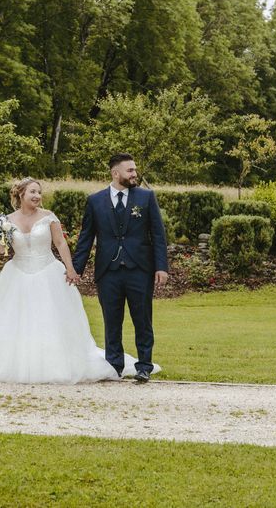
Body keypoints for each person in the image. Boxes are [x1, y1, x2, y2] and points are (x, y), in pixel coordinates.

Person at [0, 178, 151, 384]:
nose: (37, 196)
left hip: (47, 273)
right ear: (21, 194)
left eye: (39, 192)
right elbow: (2, 251)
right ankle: (19, 364)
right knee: (18, 320)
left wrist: (71, 269)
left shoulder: (48, 217)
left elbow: (60, 243)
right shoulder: (7, 221)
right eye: (32, 192)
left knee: (49, 319)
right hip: (18, 274)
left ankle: (54, 364)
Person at [71, 153, 168, 383]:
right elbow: (86, 238)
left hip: (140, 270)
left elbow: (158, 235)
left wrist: (161, 267)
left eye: (134, 170)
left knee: (142, 319)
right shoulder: (95, 201)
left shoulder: (146, 197)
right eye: (130, 170)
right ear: (116, 174)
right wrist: (76, 269)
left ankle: (144, 366)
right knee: (111, 321)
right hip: (108, 272)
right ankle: (114, 366)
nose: (135, 174)